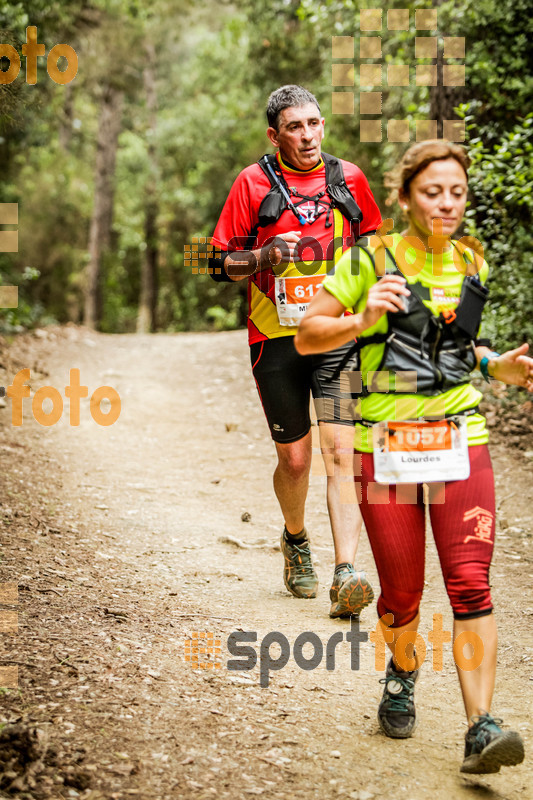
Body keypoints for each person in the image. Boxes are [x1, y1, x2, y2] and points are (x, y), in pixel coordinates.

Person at [295, 139, 531, 773]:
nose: (447, 203)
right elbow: (307, 333)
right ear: (405, 198)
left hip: (460, 440)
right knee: (401, 593)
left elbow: (459, 344)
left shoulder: (471, 259)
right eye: (433, 192)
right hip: (385, 447)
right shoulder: (369, 259)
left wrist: (496, 366)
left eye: (457, 191)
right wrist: (360, 318)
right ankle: (401, 674)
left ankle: (480, 726)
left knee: (472, 586)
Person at [210, 85, 382, 617]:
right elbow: (215, 262)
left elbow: (374, 243)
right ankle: (296, 539)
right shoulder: (252, 183)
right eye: (294, 127)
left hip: (336, 341)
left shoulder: (348, 179)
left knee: (340, 455)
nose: (307, 136)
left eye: (314, 124)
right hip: (275, 341)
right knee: (296, 458)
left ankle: (347, 571)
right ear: (274, 134)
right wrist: (263, 256)